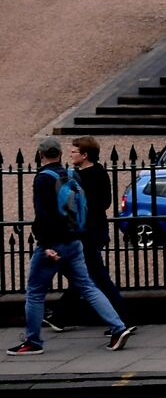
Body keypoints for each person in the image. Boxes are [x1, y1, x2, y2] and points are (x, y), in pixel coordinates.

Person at [10, 138, 133, 355]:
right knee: (88, 286)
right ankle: (118, 327)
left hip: (54, 244)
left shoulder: (43, 179)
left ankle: (33, 341)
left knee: (36, 292)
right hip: (76, 240)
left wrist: (46, 244)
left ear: (40, 155)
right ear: (59, 154)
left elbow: (43, 215)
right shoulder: (71, 174)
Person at [56, 137, 128, 329]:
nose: (70, 154)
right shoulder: (99, 173)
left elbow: (95, 204)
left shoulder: (84, 177)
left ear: (85, 155)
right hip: (94, 231)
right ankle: (60, 315)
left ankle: (121, 319)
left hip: (88, 232)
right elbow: (105, 203)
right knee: (85, 274)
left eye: (74, 151)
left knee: (96, 275)